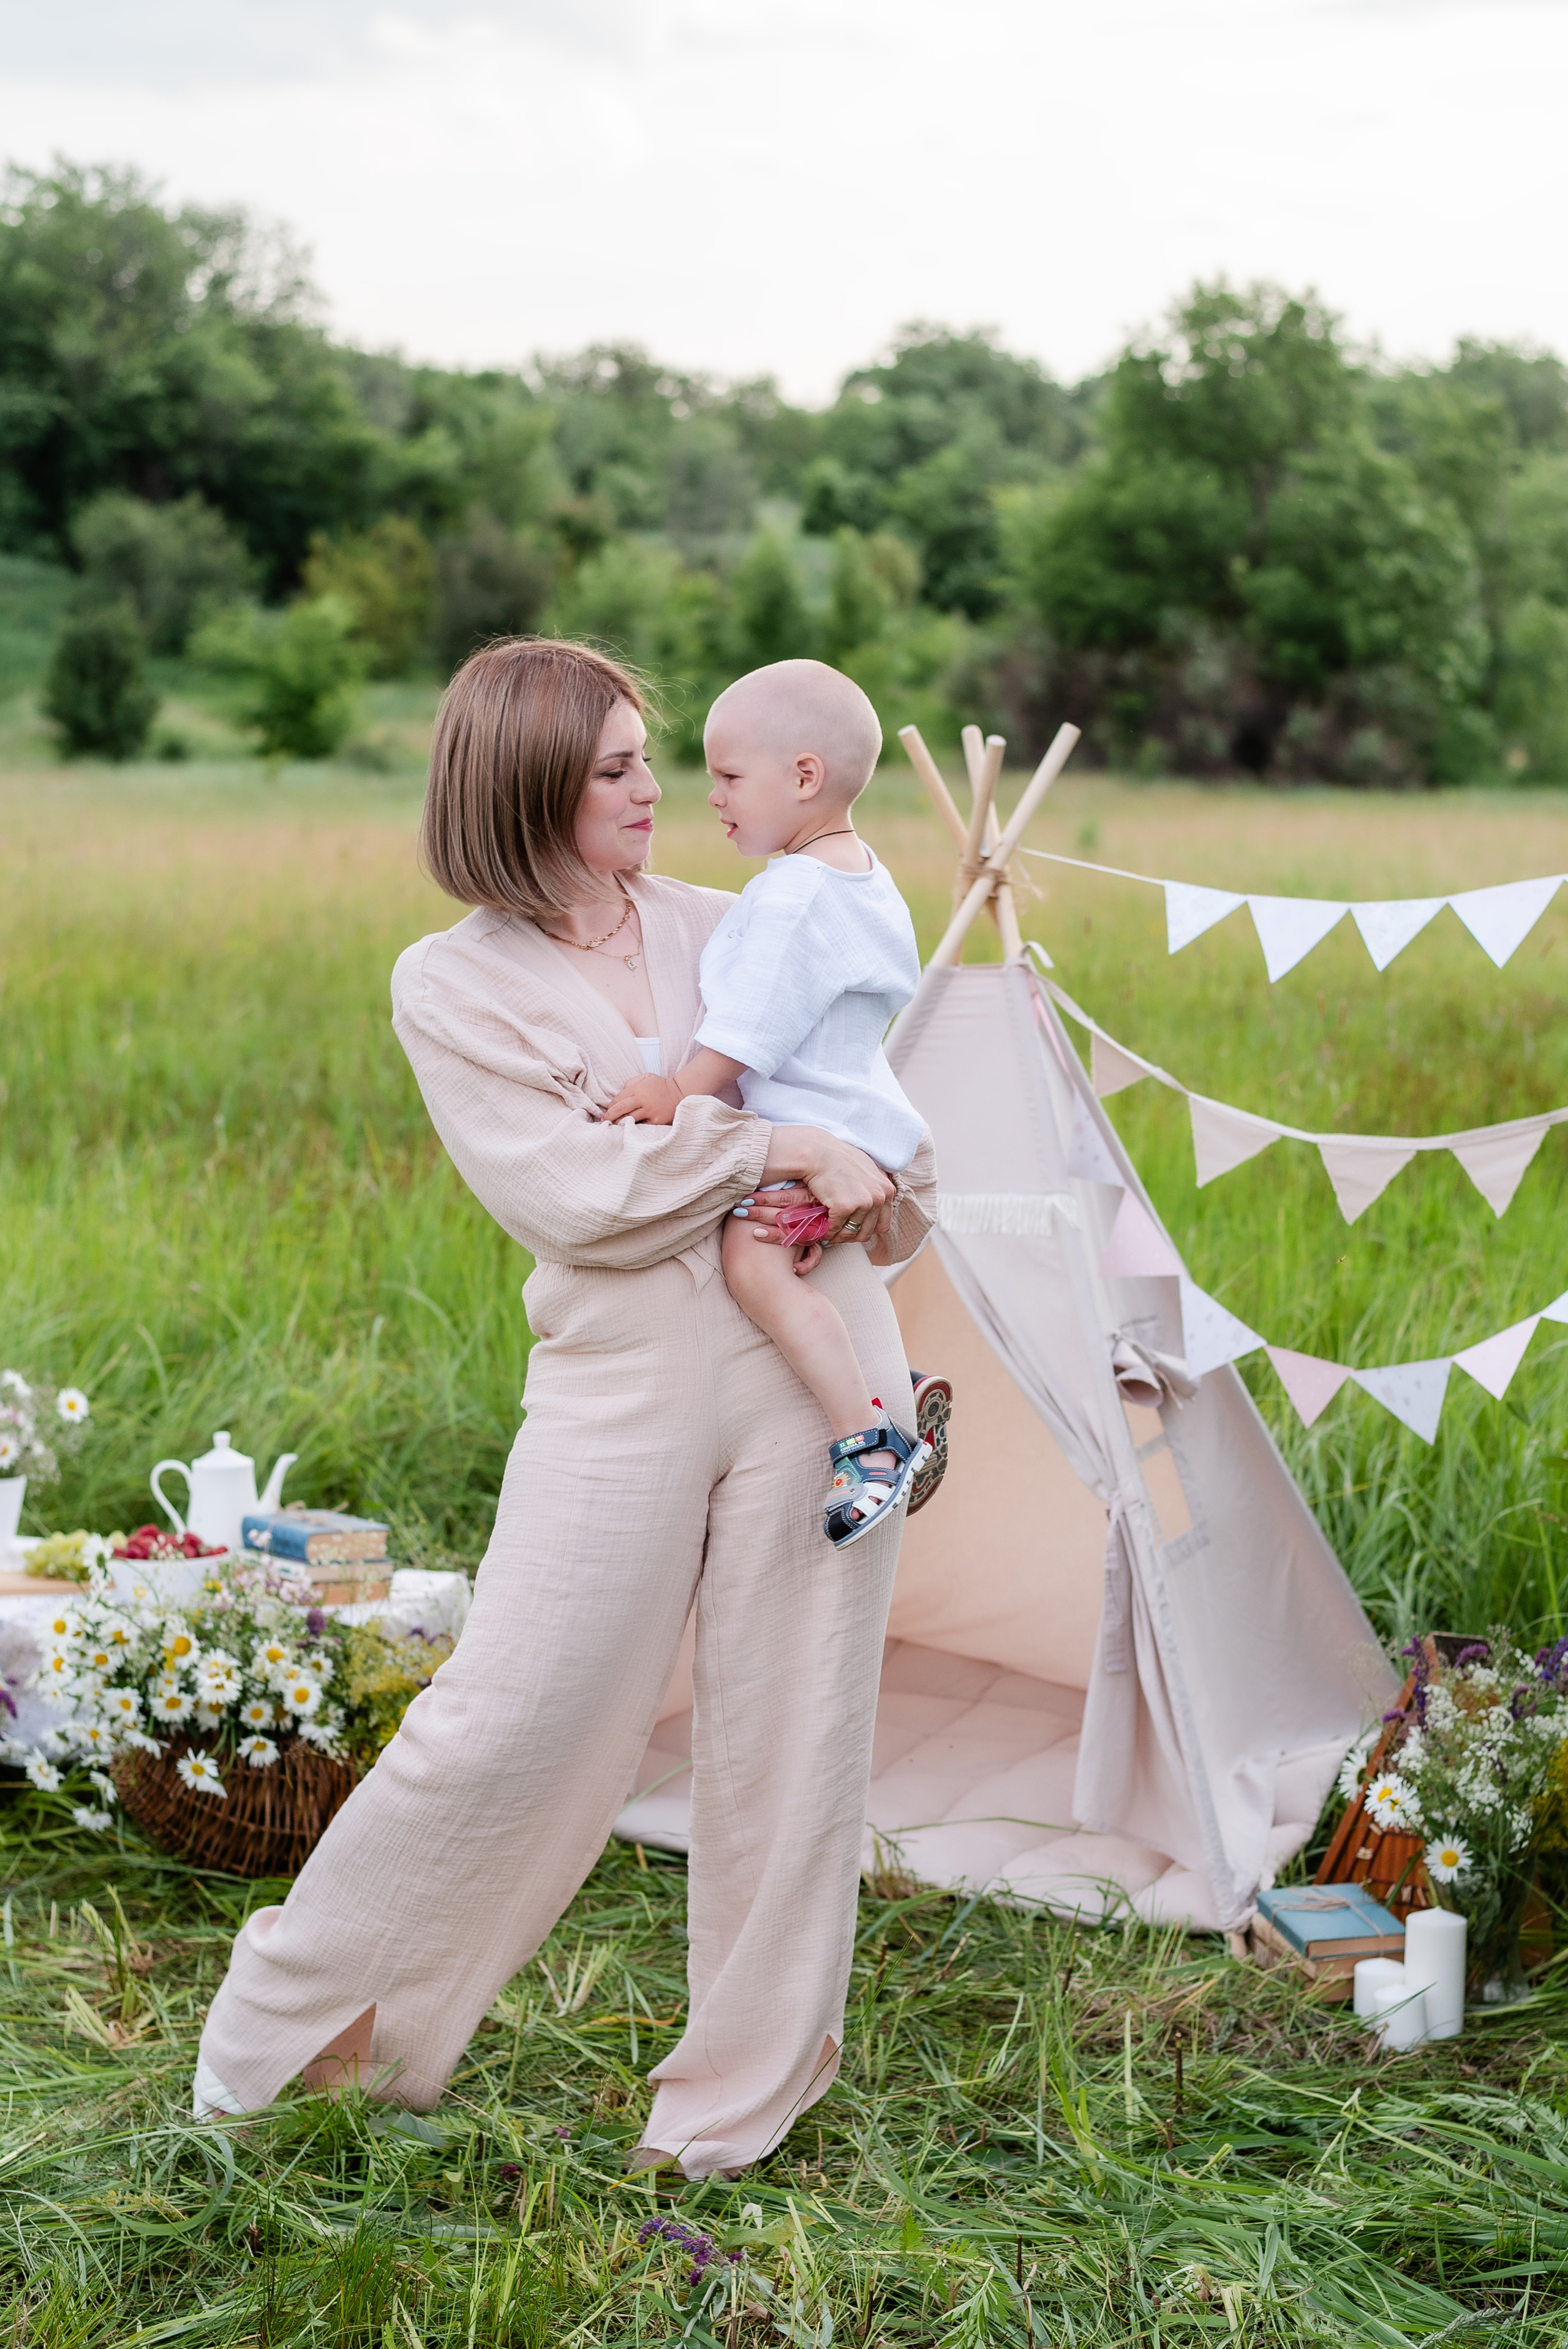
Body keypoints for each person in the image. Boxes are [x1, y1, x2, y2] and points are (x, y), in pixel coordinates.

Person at [192, 638, 937, 2182]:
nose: (655, 791)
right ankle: (300, 2039)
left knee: (796, 1737)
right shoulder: (450, 982)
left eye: (653, 758)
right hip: (619, 1386)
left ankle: (733, 2107)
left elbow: (875, 1129)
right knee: (509, 1714)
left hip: (814, 1355)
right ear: (526, 784)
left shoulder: (744, 918)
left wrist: (851, 1177)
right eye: (612, 769)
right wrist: (776, 1145)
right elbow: (580, 1195)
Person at [603, 659, 943, 1549]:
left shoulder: (791, 895)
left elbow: (751, 1023)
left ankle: (870, 1437)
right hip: (867, 1123)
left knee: (753, 1267)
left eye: (727, 777)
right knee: (810, 1275)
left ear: (802, 777)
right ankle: (886, 1381)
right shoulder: (863, 875)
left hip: (819, 1134)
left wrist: (679, 1090)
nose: (708, 797)